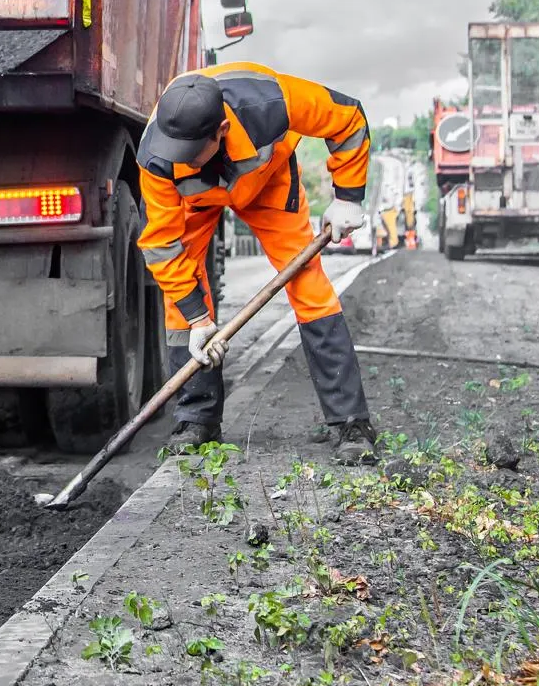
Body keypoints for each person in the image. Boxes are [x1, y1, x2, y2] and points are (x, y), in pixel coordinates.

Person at [135, 62, 380, 465]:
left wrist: (348, 196)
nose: (183, 160)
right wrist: (198, 320)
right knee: (180, 301)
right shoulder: (157, 155)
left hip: (267, 183)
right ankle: (197, 418)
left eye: (191, 152)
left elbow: (348, 117)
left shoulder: (270, 101)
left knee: (309, 288)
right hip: (195, 202)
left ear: (221, 132)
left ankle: (350, 423)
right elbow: (161, 244)